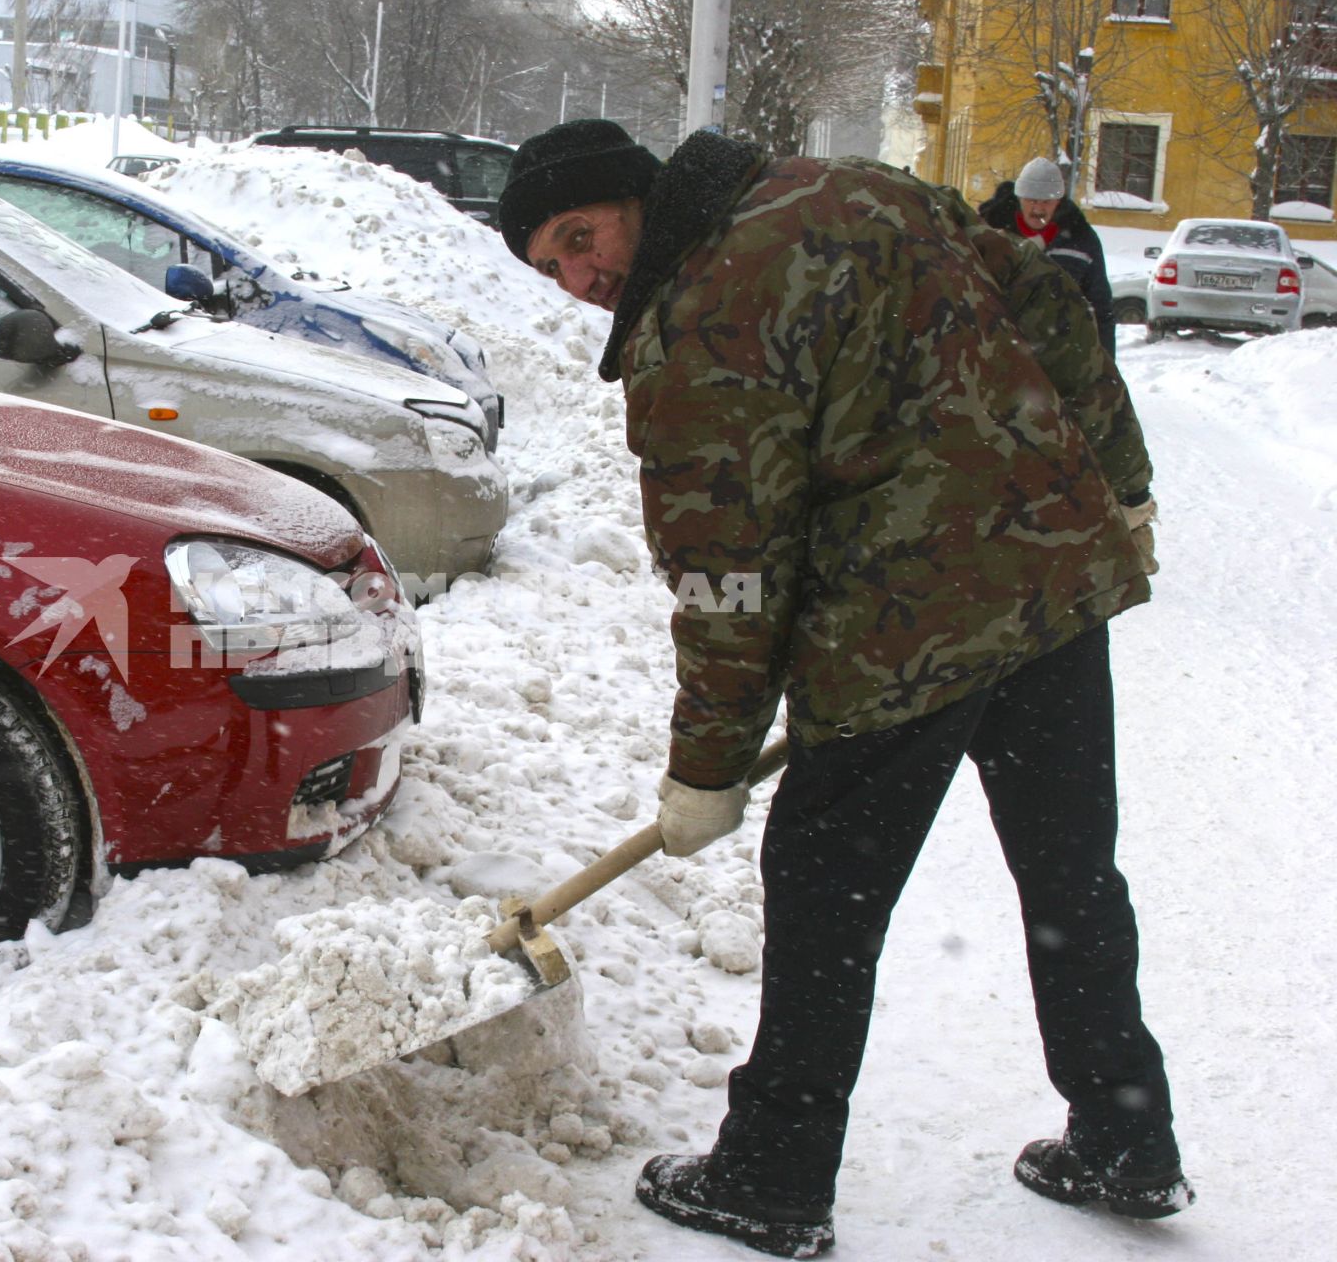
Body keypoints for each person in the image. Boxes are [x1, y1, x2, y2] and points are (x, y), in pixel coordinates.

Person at [499, 119, 1187, 1258]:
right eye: (552, 267)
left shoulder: (699, 325)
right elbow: (1054, 311)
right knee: (1071, 872)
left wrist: (707, 769)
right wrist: (1119, 484)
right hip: (1051, 579)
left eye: (583, 236)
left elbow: (728, 579)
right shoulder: (861, 186)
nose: (582, 277)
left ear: (640, 194)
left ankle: (772, 1172)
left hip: (900, 634)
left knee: (824, 893)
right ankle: (1127, 1135)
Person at [979, 156, 1117, 354]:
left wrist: (1107, 368)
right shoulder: (989, 233)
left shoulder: (1081, 240)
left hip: (1060, 354)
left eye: (1046, 201)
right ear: (1019, 199)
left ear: (1058, 201)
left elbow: (1101, 308)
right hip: (1001, 351)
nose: (1038, 208)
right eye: (1031, 200)